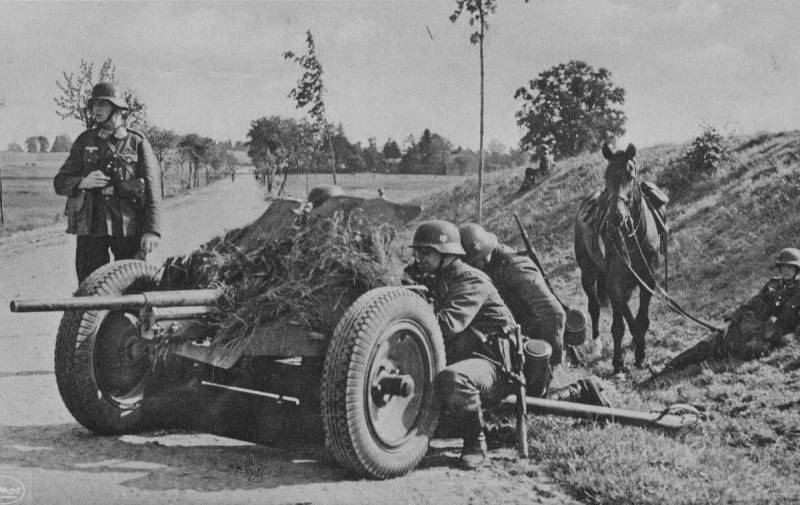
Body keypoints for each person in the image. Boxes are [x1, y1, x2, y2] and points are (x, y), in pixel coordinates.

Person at [404, 220, 607, 470]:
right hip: (475, 354)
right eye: (417, 252)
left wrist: (551, 366)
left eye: (426, 252)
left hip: (498, 363)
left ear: (447, 254)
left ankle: (475, 444)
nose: (419, 258)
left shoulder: (470, 279)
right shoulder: (441, 277)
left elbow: (445, 326)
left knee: (453, 379)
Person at [54, 82, 162, 284]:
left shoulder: (137, 142)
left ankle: (127, 317)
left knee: (131, 286)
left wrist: (152, 230)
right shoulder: (84, 141)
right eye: (94, 104)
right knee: (89, 288)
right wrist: (82, 182)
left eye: (103, 104)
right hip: (91, 227)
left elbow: (153, 190)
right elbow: (60, 182)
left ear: (118, 109)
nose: (96, 109)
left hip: (128, 227)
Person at [668, 247, 800, 369]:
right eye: (783, 266)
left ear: (797, 269)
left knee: (748, 350)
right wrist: (729, 321)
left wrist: (793, 335)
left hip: (770, 337)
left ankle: (709, 362)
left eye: (790, 267)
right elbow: (750, 304)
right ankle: (667, 368)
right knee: (709, 343)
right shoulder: (773, 284)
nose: (786, 270)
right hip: (750, 327)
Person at [459, 223, 566, 367]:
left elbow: (554, 314)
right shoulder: (487, 265)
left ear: (482, 259)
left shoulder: (514, 268)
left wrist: (547, 363)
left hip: (533, 342)